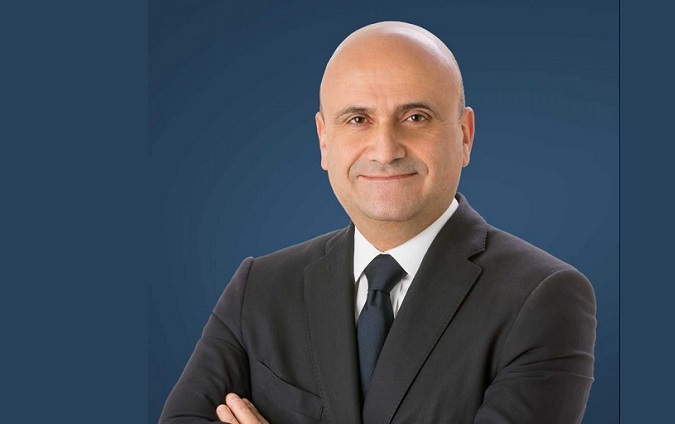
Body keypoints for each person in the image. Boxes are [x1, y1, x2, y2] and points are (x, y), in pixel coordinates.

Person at [160, 21, 596, 424]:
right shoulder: (260, 288)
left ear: (464, 135)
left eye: (416, 117)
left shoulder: (544, 297)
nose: (385, 150)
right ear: (324, 139)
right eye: (358, 119)